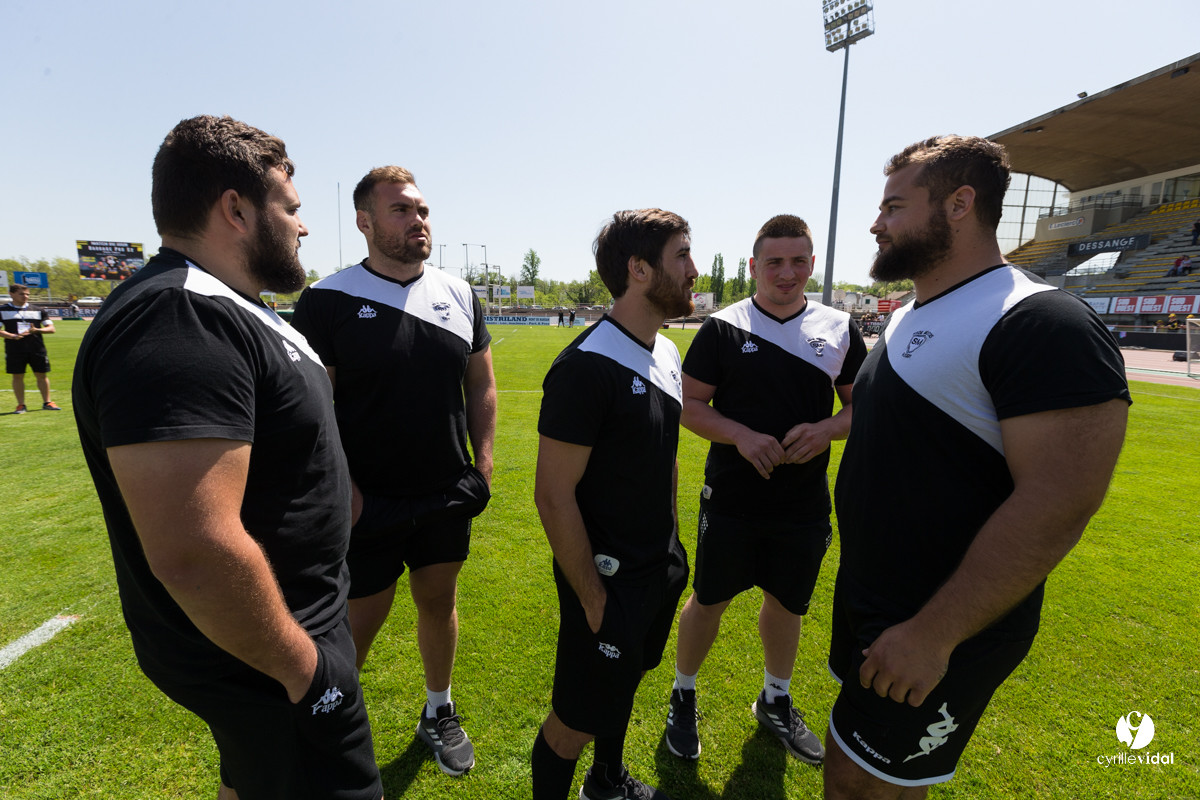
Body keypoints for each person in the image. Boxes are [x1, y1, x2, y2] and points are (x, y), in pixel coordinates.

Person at [72, 115, 382, 800]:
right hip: (273, 657)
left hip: (286, 639)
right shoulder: (180, 317)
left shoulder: (235, 307)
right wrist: (304, 671)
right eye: (291, 209)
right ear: (235, 209)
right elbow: (195, 548)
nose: (303, 228)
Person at [825, 135, 1129, 799]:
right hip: (877, 609)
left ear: (960, 204)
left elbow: (1059, 502)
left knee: (869, 787)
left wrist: (934, 636)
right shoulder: (909, 312)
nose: (876, 223)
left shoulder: (1040, 321)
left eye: (893, 206)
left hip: (939, 628)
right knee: (847, 768)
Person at [291, 166, 496, 777]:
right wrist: (344, 489)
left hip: (444, 492)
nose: (418, 222)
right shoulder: (327, 299)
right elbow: (313, 409)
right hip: (365, 501)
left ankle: (439, 709)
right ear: (365, 222)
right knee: (359, 621)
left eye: (423, 210)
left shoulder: (458, 294)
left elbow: (480, 384)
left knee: (439, 598)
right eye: (402, 211)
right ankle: (328, 729)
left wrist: (481, 464)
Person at [663, 215, 866, 765]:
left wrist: (825, 431)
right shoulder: (724, 326)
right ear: (754, 267)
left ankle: (775, 697)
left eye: (799, 261)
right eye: (774, 262)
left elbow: (863, 407)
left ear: (813, 264)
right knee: (710, 597)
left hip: (802, 500)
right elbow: (689, 405)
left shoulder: (839, 328)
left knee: (787, 601)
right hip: (731, 496)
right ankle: (682, 694)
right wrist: (742, 437)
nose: (787, 273)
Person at [532, 208, 697, 800]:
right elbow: (552, 496)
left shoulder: (668, 354)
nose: (694, 269)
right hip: (605, 580)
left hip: (658, 566)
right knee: (572, 721)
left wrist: (674, 544)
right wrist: (593, 596)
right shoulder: (586, 367)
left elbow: (665, 458)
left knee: (622, 681)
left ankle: (607, 782)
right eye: (682, 256)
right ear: (640, 269)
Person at [2, 284, 61, 413]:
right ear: (11, 294)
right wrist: (13, 336)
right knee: (17, 376)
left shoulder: (38, 310)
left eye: (27, 294)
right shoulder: (2, 310)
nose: (25, 297)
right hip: (14, 349)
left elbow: (51, 329)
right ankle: (21, 405)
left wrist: (37, 330)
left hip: (37, 348)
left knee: (42, 375)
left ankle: (48, 402)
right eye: (21, 294)